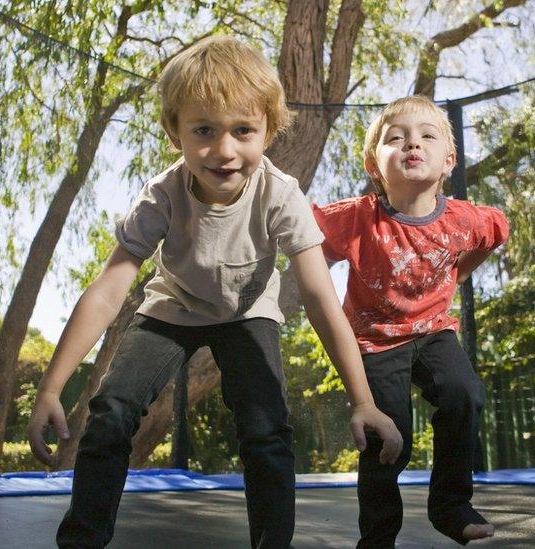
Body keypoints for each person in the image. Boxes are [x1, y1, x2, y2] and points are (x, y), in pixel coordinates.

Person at [26, 35, 403, 549]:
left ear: (268, 132)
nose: (224, 150)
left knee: (267, 429)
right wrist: (51, 388)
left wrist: (363, 400)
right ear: (174, 132)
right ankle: (81, 541)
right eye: (203, 130)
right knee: (110, 412)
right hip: (172, 306)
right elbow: (108, 291)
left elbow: (319, 298)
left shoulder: (281, 195)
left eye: (243, 130)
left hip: (249, 312)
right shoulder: (162, 195)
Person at [311, 95, 509, 547]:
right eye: (395, 138)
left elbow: (497, 230)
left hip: (435, 330)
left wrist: (458, 274)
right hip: (375, 341)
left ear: (448, 162)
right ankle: (378, 537)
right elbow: (304, 240)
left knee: (464, 395)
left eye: (426, 136)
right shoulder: (356, 219)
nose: (411, 144)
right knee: (387, 433)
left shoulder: (464, 219)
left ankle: (450, 504)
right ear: (373, 163)